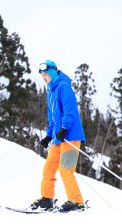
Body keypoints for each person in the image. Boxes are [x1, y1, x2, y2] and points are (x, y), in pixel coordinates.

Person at [31, 60, 86, 212]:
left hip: (70, 136)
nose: (43, 77)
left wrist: (64, 129)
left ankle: (76, 201)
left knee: (66, 169)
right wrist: (49, 135)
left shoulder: (63, 87)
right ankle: (47, 199)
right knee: (49, 169)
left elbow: (70, 111)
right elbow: (53, 117)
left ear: (53, 72)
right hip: (57, 138)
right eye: (42, 75)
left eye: (46, 74)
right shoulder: (51, 91)